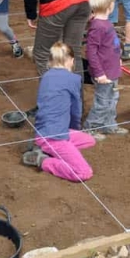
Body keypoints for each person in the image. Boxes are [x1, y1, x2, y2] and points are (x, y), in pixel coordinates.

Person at [22, 42, 97, 182]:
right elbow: (76, 110)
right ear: (71, 61)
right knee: (84, 172)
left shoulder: (46, 76)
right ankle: (42, 160)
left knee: (89, 141)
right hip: (55, 136)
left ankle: (47, 148)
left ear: (50, 61)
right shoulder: (74, 79)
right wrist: (74, 128)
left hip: (46, 130)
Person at [83, 0, 129, 138]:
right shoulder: (97, 26)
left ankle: (109, 125)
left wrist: (118, 59)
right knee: (103, 102)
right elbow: (91, 52)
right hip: (104, 74)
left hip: (112, 70)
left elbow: (111, 45)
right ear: (110, 5)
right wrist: (99, 73)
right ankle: (90, 127)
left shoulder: (106, 23)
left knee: (113, 99)